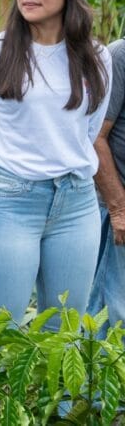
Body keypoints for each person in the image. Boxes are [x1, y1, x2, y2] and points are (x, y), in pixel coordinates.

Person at [0, 0, 110, 424]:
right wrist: (2, 183)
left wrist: (63, 169)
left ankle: (56, 416)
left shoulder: (95, 58)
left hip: (77, 203)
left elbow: (88, 127)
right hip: (10, 201)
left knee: (65, 329)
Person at [88, 37, 125, 334]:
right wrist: (118, 208)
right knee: (112, 311)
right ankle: (94, 381)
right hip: (118, 206)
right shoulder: (119, 56)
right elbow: (95, 136)